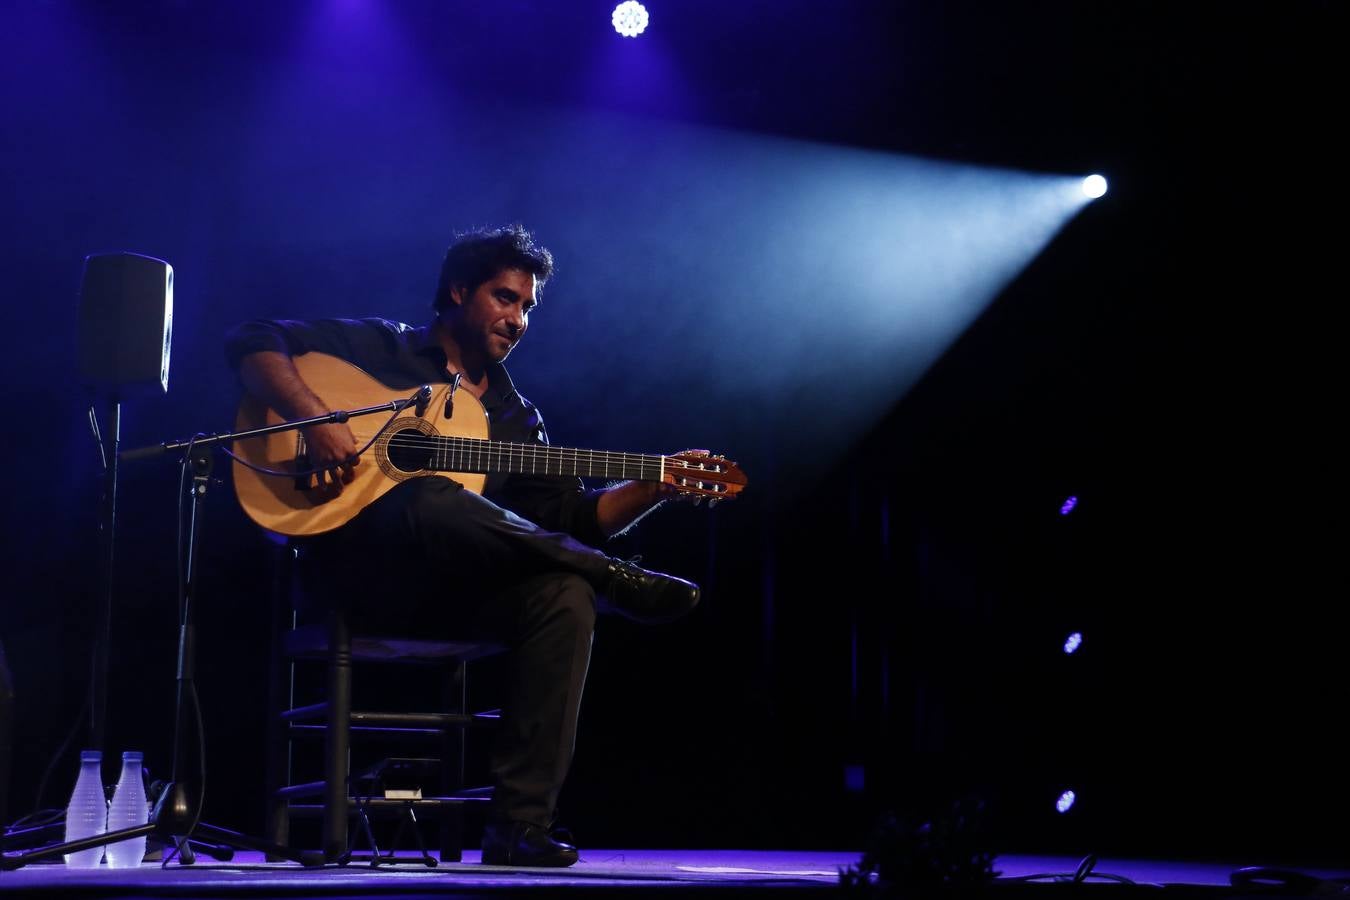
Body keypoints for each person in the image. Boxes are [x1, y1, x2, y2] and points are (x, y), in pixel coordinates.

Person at [225, 225, 703, 867]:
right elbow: (253, 340)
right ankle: (613, 577)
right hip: (358, 579)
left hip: (451, 595)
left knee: (565, 591)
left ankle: (519, 827)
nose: (519, 320)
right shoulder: (383, 348)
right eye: (506, 298)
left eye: (528, 307)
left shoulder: (514, 419)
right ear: (458, 290)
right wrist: (322, 421)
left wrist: (654, 487)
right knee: (430, 494)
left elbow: (568, 520)